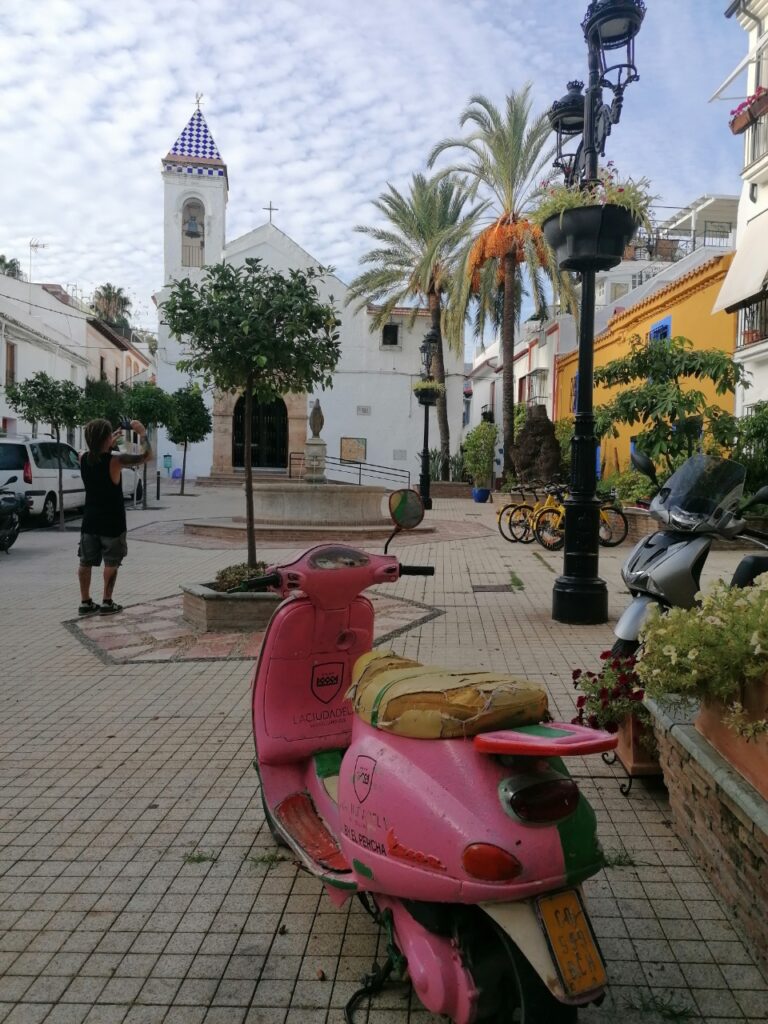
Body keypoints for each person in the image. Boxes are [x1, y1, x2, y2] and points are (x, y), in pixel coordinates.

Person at [77, 418, 152, 615]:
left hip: (90, 520)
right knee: (111, 562)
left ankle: (85, 602)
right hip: (112, 521)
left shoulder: (82, 458)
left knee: (85, 561)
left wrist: (111, 442)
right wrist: (142, 433)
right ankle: (107, 602)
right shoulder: (115, 461)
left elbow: (97, 453)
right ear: (105, 438)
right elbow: (147, 455)